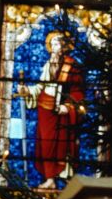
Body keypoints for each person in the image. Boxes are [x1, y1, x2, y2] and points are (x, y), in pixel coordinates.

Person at [18, 31, 84, 188]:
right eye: (54, 43)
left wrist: (67, 107)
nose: (57, 47)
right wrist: (27, 91)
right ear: (50, 47)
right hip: (44, 110)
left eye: (60, 43)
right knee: (46, 145)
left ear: (65, 47)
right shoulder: (48, 64)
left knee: (63, 144)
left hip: (61, 112)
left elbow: (78, 92)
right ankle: (50, 180)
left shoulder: (72, 66)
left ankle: (67, 179)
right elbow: (41, 86)